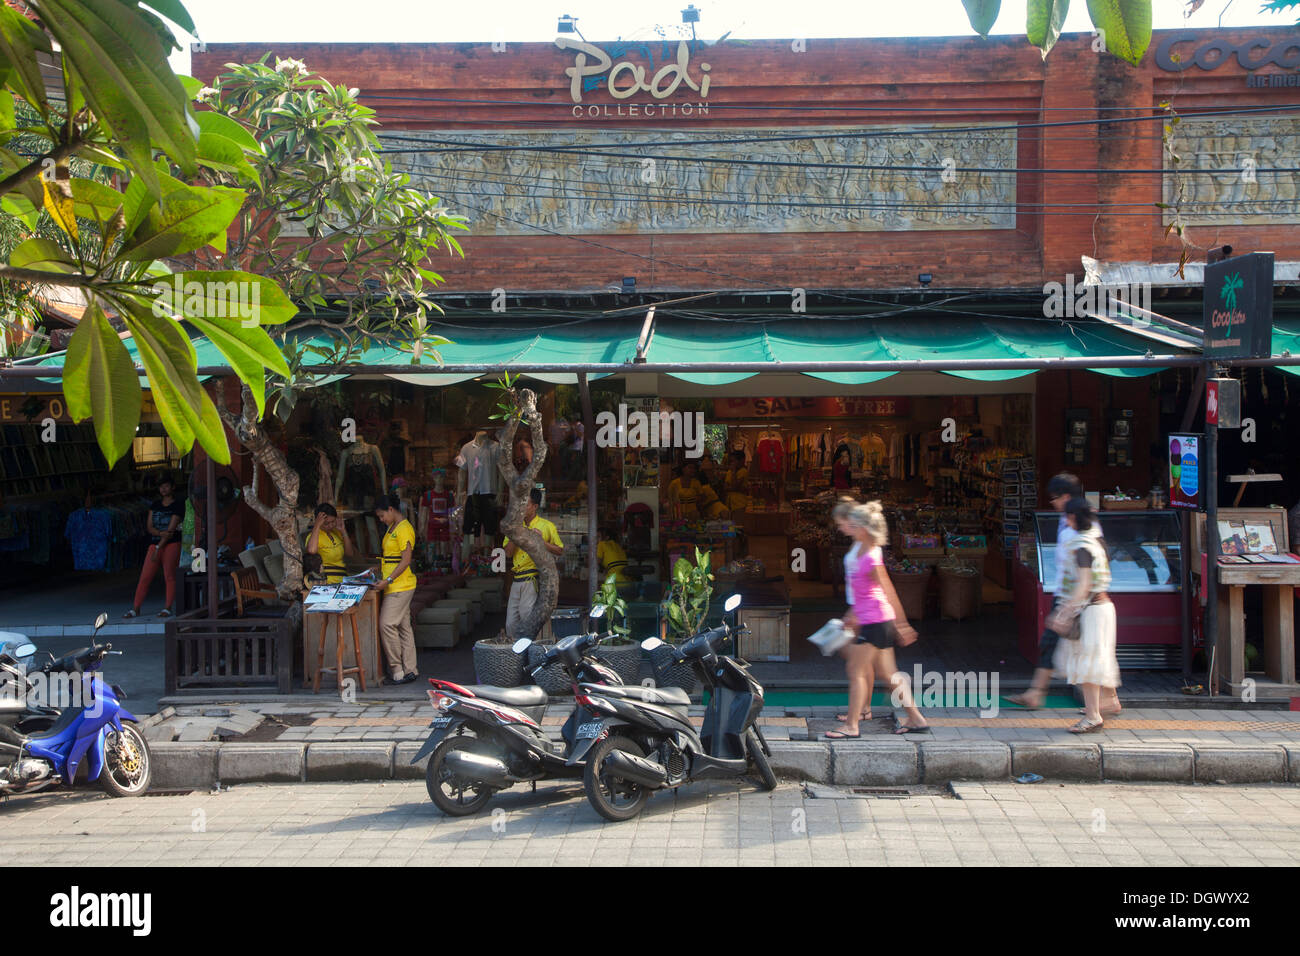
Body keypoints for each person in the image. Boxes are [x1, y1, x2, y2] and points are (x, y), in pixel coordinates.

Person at [826, 501, 929, 739]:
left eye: (853, 524)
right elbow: (865, 592)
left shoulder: (871, 556)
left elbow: (887, 590)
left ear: (864, 528)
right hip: (875, 620)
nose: (848, 527)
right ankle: (916, 718)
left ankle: (852, 726)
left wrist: (902, 624)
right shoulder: (862, 548)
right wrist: (852, 614)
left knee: (857, 672)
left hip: (875, 622)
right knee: (889, 675)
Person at [1006, 472, 1107, 711]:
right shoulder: (1068, 519)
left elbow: (1090, 564)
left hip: (1077, 597)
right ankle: (1037, 692)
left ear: (1067, 497)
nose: (1052, 501)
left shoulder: (1081, 524)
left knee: (1083, 650)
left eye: (1056, 497)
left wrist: (1068, 607)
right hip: (1067, 592)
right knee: (1056, 644)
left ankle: (1096, 705)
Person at [1051, 497, 1121, 732]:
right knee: (1097, 659)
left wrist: (1064, 612)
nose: (1065, 520)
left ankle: (1093, 716)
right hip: (1103, 607)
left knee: (1088, 664)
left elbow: (1083, 584)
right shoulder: (1096, 539)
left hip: (1091, 610)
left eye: (1067, 516)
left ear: (1073, 517)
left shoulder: (1082, 546)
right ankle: (1109, 702)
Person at [371, 494, 418, 685]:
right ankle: (410, 669)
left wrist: (388, 579)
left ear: (391, 509)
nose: (381, 520)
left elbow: (406, 560)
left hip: (400, 584)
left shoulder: (404, 529)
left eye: (382, 515)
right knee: (403, 627)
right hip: (395, 584)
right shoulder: (392, 528)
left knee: (386, 624)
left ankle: (397, 669)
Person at [504, 488, 564, 639]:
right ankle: (516, 657)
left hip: (532, 580)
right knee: (510, 624)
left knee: (528, 621)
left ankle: (529, 656)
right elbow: (508, 553)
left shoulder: (546, 526)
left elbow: (559, 550)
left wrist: (541, 542)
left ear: (535, 506)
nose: (522, 507)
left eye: (526, 504)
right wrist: (515, 533)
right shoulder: (514, 527)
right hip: (516, 579)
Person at [124, 473, 185, 619]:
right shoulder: (155, 505)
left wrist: (159, 546)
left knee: (169, 576)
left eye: (166, 486)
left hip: (171, 544)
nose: (163, 489)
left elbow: (171, 530)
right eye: (161, 487)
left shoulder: (178, 505)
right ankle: (135, 608)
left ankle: (167, 607)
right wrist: (159, 535)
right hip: (154, 543)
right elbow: (149, 526)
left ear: (172, 487)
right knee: (145, 576)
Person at [306, 503, 355, 584]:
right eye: (326, 523)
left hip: (342, 578)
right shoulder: (314, 536)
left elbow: (350, 553)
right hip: (327, 581)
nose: (330, 525)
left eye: (333, 522)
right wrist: (317, 525)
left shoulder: (336, 532)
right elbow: (311, 551)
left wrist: (343, 531)